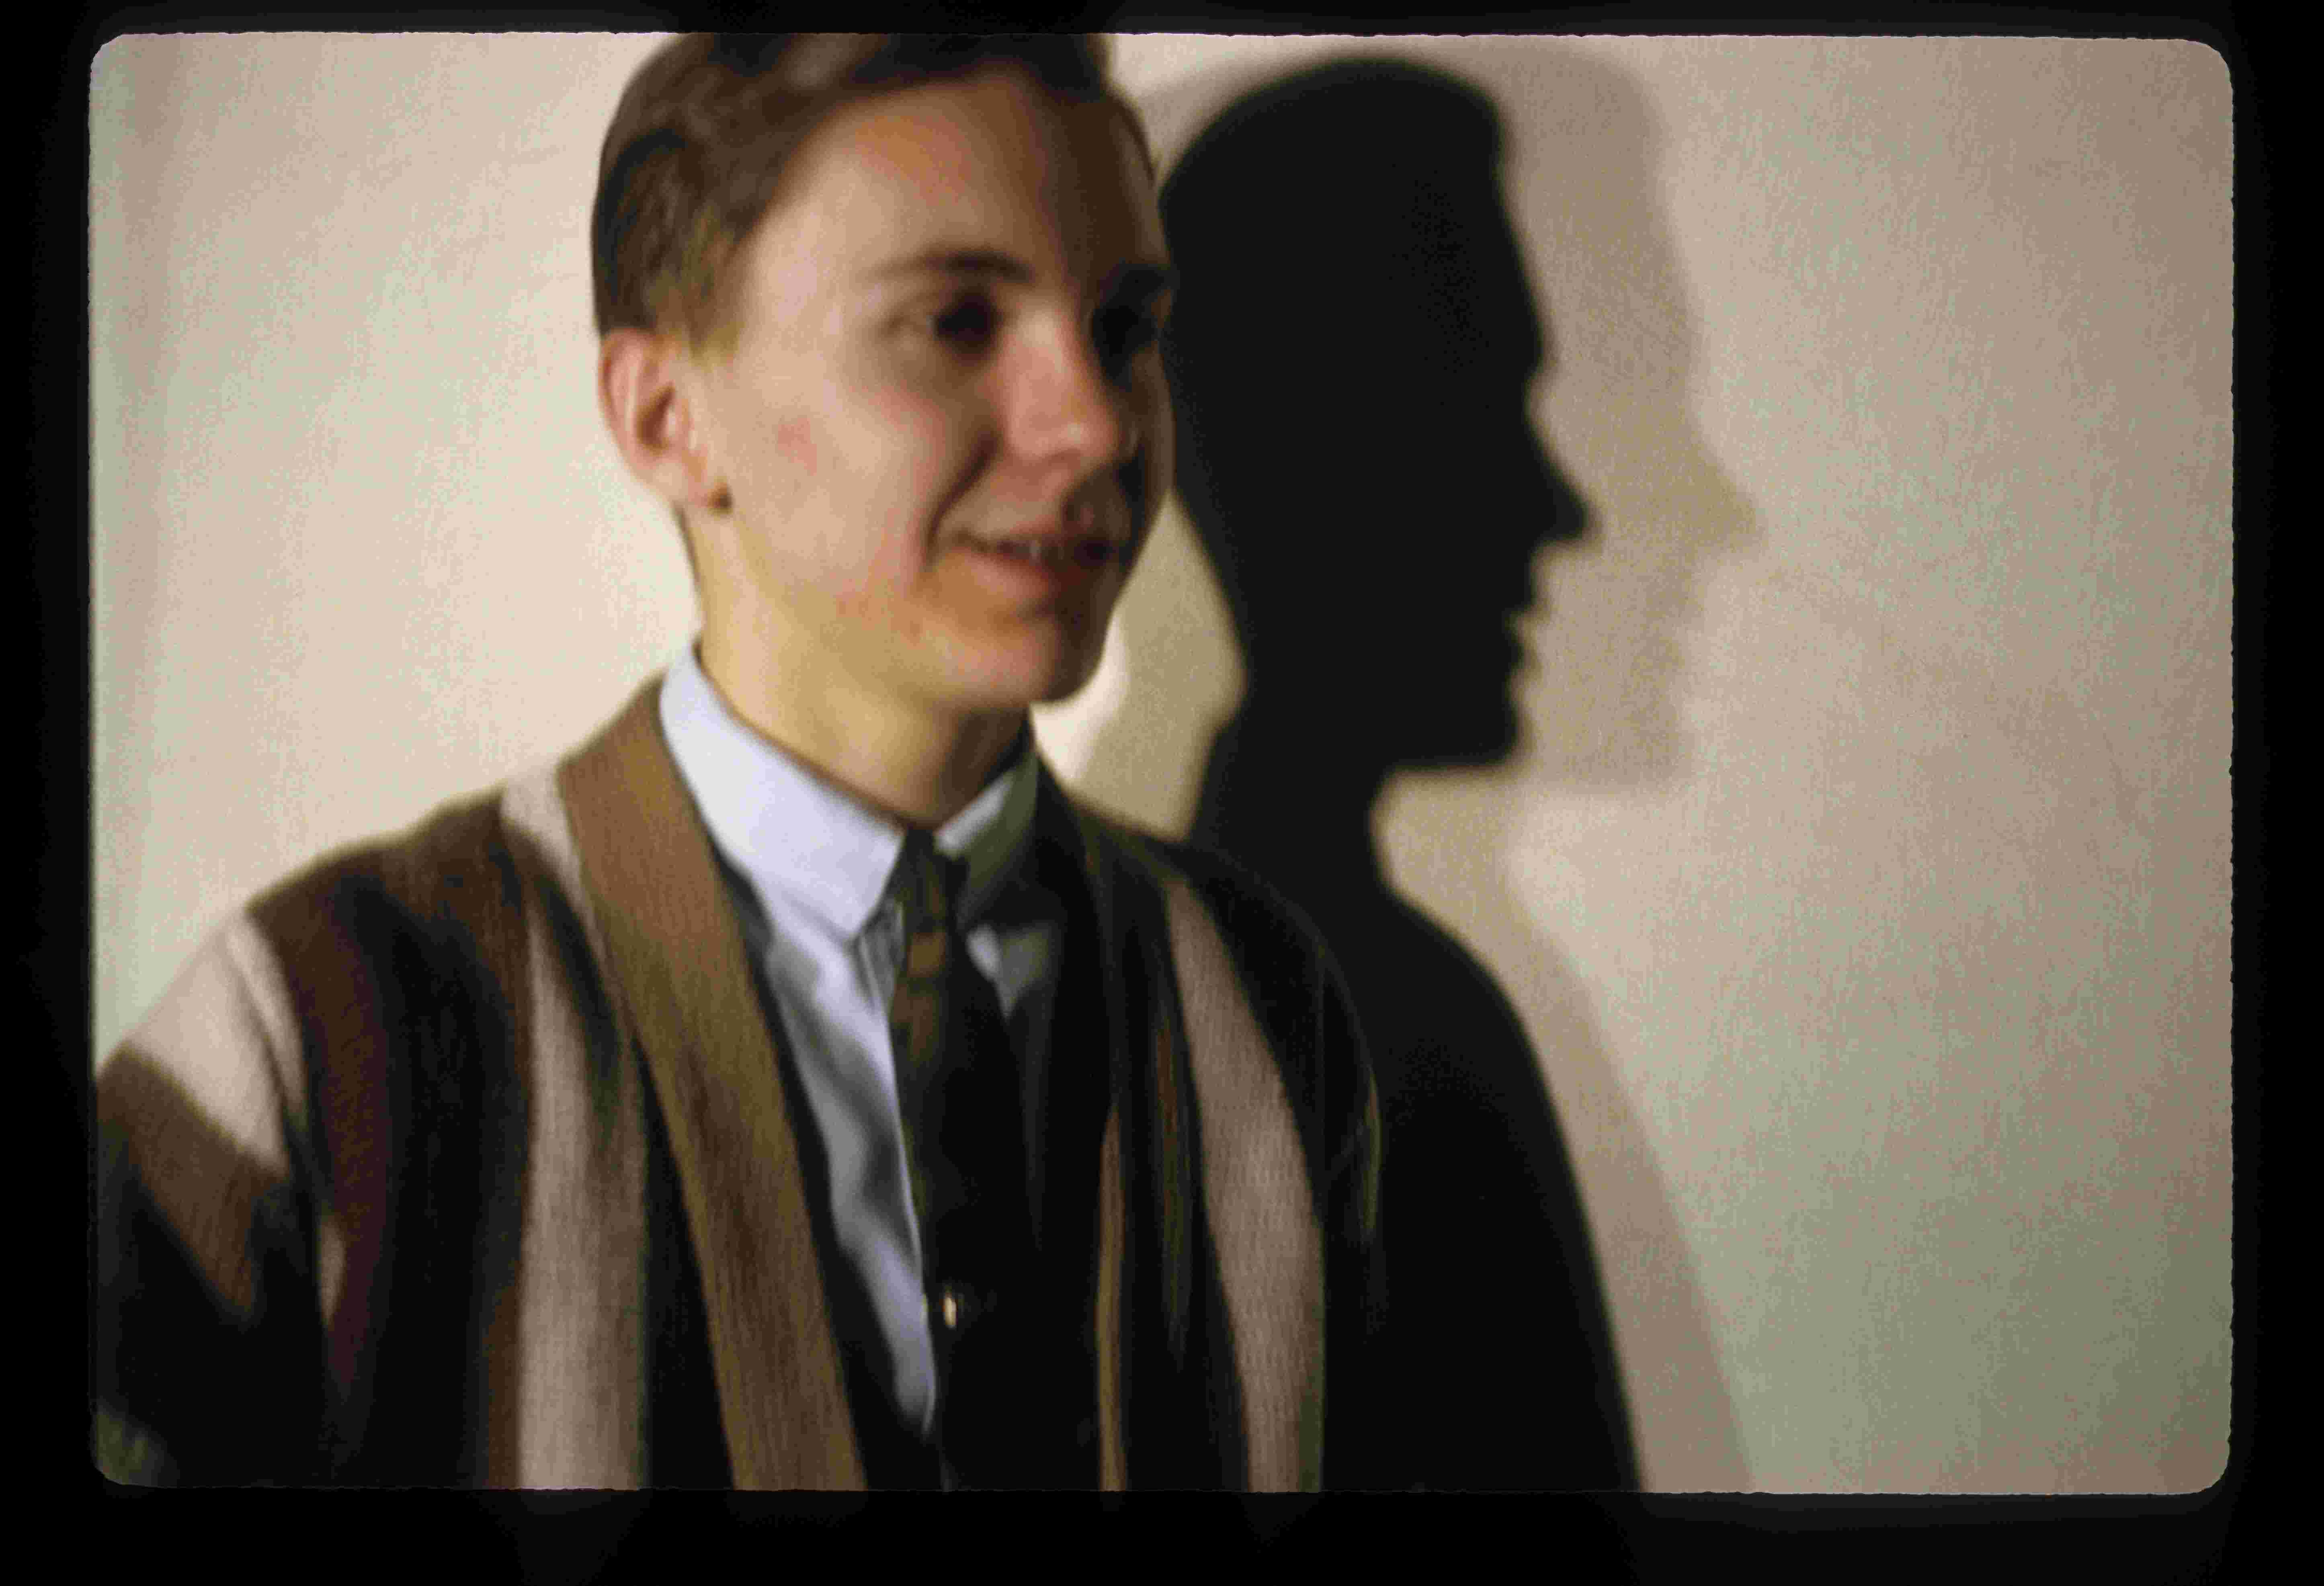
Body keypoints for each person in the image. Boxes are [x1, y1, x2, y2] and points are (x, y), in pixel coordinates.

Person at [93, 33, 1382, 1491]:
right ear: (668, 418)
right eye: (956, 321)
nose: (1093, 425)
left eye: (1126, 329)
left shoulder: (1267, 1010)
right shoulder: (322, 1026)